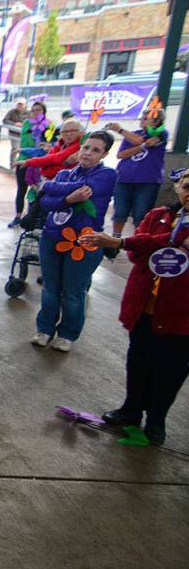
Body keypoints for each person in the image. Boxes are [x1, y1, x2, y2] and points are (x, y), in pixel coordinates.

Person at [79, 170, 189, 445]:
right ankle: (131, 409)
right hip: (145, 305)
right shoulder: (158, 216)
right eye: (187, 186)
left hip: (180, 313)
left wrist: (123, 241)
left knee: (170, 369)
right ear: (177, 188)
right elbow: (137, 251)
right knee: (138, 359)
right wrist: (164, 241)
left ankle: (156, 420)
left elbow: (138, 243)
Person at [32, 131, 117, 352]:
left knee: (73, 291)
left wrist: (48, 186)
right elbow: (47, 203)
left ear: (104, 154)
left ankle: (67, 334)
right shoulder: (64, 174)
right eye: (86, 147)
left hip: (85, 240)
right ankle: (44, 329)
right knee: (50, 288)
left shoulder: (107, 175)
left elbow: (83, 188)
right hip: (52, 236)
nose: (88, 153)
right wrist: (69, 198)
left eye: (95, 150)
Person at [108, 110, 168, 238]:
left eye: (146, 118)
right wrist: (143, 146)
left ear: (157, 122)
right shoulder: (133, 134)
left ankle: (138, 241)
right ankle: (114, 240)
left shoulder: (162, 133)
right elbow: (121, 155)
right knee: (120, 212)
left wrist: (120, 130)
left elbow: (140, 141)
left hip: (148, 182)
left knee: (141, 215)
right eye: (142, 117)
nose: (142, 119)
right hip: (124, 179)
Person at [9, 101, 53, 227]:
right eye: (33, 110)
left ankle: (33, 218)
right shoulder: (27, 124)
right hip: (23, 159)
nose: (35, 113)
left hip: (40, 161)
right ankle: (18, 216)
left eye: (38, 110)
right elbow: (24, 142)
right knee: (21, 189)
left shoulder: (49, 125)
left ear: (44, 111)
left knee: (36, 190)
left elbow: (45, 146)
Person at [17, 119, 84, 182]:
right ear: (60, 134)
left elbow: (55, 159)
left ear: (81, 133)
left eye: (73, 131)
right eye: (65, 131)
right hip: (52, 181)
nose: (69, 134)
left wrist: (29, 162)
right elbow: (48, 159)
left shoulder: (79, 146)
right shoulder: (61, 144)